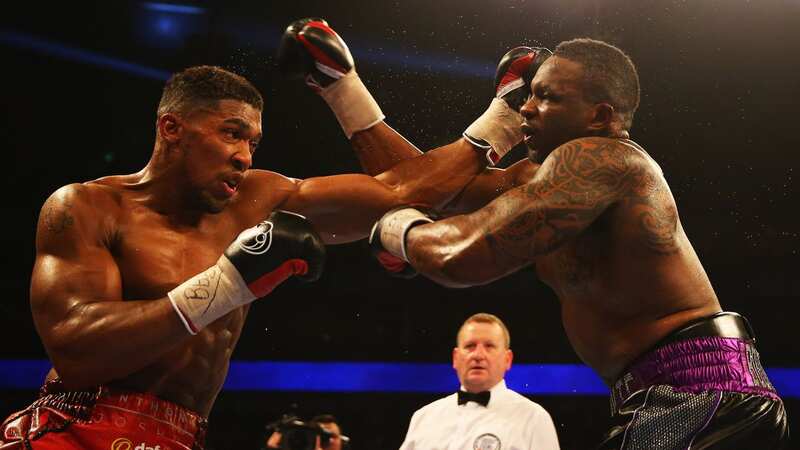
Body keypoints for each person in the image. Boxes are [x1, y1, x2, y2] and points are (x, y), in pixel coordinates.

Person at [283, 21, 789, 448]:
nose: (529, 108)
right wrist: (342, 89)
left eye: (546, 97)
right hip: (668, 395)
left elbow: (460, 256)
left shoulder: (600, 159)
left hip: (701, 391)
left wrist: (396, 232)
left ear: (600, 116)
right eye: (526, 99)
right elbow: (420, 189)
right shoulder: (547, 182)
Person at [0, 61, 507, 450]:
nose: (245, 155)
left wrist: (503, 114)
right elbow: (75, 350)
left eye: (253, 141)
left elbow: (399, 192)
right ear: (171, 128)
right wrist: (225, 283)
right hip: (80, 428)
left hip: (185, 434)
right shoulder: (87, 206)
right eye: (231, 133)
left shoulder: (257, 199)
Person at [399, 313, 559, 450]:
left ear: (507, 359)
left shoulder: (533, 418)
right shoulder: (424, 417)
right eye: (470, 346)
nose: (478, 355)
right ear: (455, 358)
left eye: (489, 346)